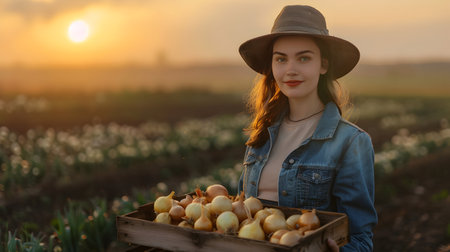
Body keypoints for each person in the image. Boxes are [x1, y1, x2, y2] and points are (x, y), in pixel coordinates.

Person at [237, 5, 377, 251]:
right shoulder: (261, 134)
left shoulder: (350, 142)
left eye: (303, 58)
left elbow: (360, 238)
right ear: (272, 66)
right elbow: (239, 213)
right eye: (281, 58)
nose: (290, 69)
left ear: (323, 65)